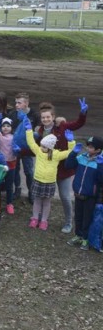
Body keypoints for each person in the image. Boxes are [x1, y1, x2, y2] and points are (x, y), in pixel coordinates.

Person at [36, 100, 88, 233]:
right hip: (47, 171)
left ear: (53, 117)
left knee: (64, 196)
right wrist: (19, 151)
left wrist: (82, 113)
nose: (46, 119)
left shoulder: (62, 127)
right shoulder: (40, 131)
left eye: (48, 117)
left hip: (63, 169)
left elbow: (78, 124)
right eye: (43, 117)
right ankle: (40, 218)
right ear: (41, 118)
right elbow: (36, 149)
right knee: (44, 196)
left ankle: (68, 222)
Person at [25, 122, 76, 231]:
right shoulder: (38, 151)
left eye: (44, 146)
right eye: (41, 145)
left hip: (49, 182)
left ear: (50, 147)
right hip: (38, 180)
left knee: (47, 202)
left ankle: (44, 220)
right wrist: (29, 131)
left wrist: (71, 142)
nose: (41, 147)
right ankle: (34, 218)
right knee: (37, 201)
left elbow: (69, 153)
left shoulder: (56, 154)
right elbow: (31, 143)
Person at [65, 136, 103, 250]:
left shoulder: (100, 162)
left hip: (90, 196)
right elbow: (68, 165)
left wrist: (101, 166)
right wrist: (73, 153)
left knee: (87, 218)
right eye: (87, 146)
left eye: (91, 147)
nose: (87, 148)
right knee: (78, 216)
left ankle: (86, 239)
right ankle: (78, 235)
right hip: (78, 194)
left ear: (98, 150)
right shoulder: (82, 157)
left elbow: (101, 180)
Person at [9, 92, 40, 204]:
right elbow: (8, 129)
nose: (16, 105)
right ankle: (17, 189)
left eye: (19, 103)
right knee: (15, 170)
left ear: (26, 103)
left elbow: (38, 131)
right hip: (15, 148)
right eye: (16, 102)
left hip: (28, 149)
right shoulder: (13, 114)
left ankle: (31, 193)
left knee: (29, 171)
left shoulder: (34, 115)